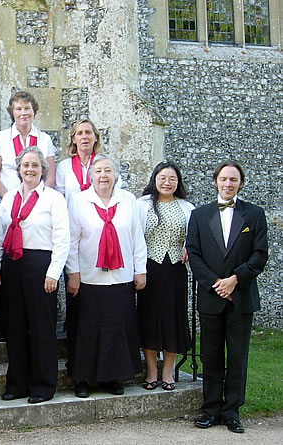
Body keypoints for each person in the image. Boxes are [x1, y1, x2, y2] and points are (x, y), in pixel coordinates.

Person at [187, 161, 268, 434]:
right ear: (215, 181)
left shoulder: (254, 215)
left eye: (233, 179)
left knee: (237, 356)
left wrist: (235, 280)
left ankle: (232, 411)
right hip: (211, 298)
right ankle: (210, 409)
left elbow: (259, 255)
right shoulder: (199, 215)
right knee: (210, 356)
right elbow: (194, 255)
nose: (228, 183)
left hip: (241, 297)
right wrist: (215, 283)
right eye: (224, 179)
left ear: (240, 183)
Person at [0, 147, 69, 404]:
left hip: (40, 264)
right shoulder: (10, 197)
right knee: (15, 327)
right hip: (13, 265)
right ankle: (18, 384)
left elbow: (62, 239)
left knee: (41, 327)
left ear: (43, 170)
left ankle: (43, 386)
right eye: (25, 165)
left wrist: (53, 273)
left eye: (35, 165)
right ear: (18, 169)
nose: (30, 170)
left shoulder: (53, 199)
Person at [65, 154, 146, 398]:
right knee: (87, 329)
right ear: (91, 176)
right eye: (98, 171)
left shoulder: (128, 200)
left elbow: (137, 237)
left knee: (116, 328)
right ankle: (82, 378)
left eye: (108, 170)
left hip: (121, 277)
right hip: (89, 277)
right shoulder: (79, 201)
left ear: (115, 175)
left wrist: (140, 270)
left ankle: (113, 376)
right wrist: (73, 273)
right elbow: (71, 240)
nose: (103, 175)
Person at [0, 91, 56, 342]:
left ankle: (33, 323)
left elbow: (50, 175)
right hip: (7, 206)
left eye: (27, 108)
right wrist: (14, 200)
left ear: (34, 111)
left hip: (37, 208)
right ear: (12, 113)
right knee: (8, 266)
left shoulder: (45, 139)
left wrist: (32, 200)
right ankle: (6, 325)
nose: (23, 113)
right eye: (18, 109)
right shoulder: (1, 138)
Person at [136, 161, 194, 391]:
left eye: (172, 179)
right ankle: (151, 370)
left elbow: (194, 236)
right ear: (154, 180)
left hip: (175, 271)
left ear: (177, 182)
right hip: (150, 269)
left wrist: (189, 245)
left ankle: (168, 371)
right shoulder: (141, 205)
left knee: (173, 319)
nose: (167, 182)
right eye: (162, 178)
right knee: (149, 318)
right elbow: (135, 236)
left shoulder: (187, 207)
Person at [54, 118, 105, 379]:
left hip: (101, 242)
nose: (84, 137)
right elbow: (61, 201)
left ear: (95, 137)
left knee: (101, 309)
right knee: (77, 304)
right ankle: (79, 367)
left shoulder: (103, 165)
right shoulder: (64, 168)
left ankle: (105, 367)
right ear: (72, 139)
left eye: (88, 132)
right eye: (79, 133)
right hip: (75, 240)